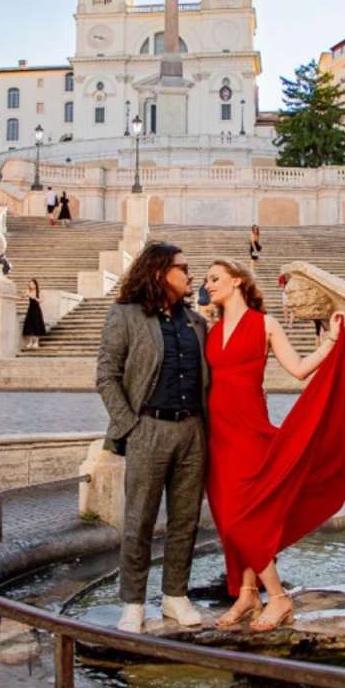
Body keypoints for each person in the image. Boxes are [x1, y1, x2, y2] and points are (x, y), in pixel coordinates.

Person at [203, 259, 345, 631]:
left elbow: (299, 369)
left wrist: (331, 342)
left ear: (237, 280)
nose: (208, 285)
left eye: (215, 278)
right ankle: (246, 593)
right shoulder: (209, 329)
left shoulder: (265, 324)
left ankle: (277, 597)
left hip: (250, 432)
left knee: (246, 519)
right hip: (218, 437)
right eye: (206, 280)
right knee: (230, 521)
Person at [96, 243, 208, 633]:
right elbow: (106, 376)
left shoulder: (196, 322)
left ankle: (176, 595)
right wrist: (130, 425)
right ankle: (133, 601)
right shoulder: (124, 316)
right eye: (183, 268)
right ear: (160, 273)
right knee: (139, 519)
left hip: (193, 429)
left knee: (186, 518)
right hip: (148, 427)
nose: (189, 275)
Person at [22, 279, 47, 350]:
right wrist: (25, 294)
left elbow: (41, 300)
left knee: (37, 325)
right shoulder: (29, 291)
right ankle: (30, 342)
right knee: (30, 325)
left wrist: (34, 297)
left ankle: (36, 342)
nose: (30, 285)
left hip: (36, 310)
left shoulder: (39, 292)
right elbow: (22, 297)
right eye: (30, 284)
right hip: (30, 309)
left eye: (32, 284)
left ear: (35, 285)